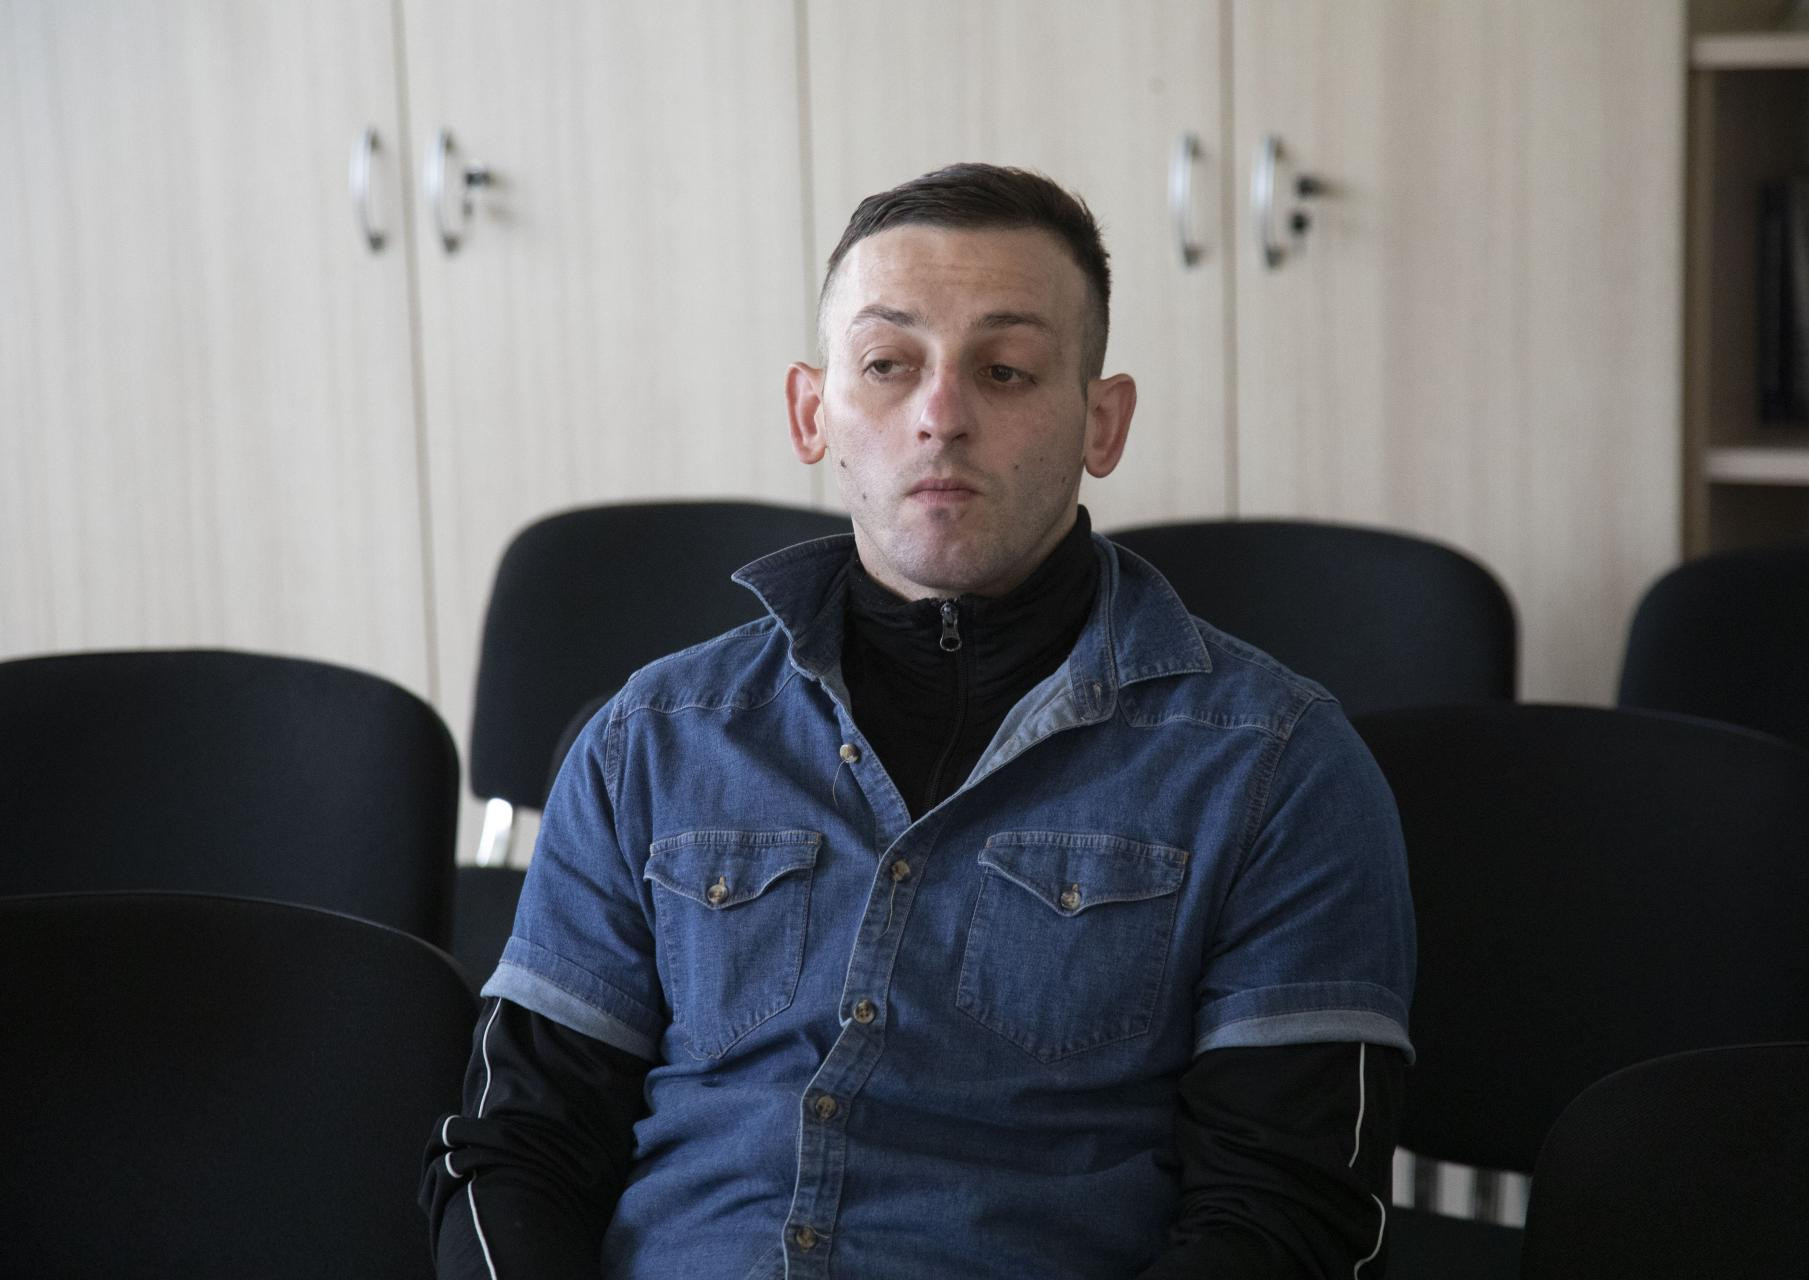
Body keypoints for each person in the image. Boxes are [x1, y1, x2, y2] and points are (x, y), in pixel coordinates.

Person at [422, 163, 1415, 1279]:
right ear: (813, 412)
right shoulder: (648, 737)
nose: (941, 417)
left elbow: (1284, 1217)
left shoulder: (1278, 767)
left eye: (1005, 369)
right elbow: (517, 1149)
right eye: (889, 365)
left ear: (1101, 421)